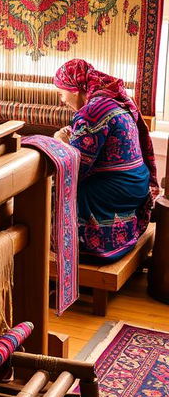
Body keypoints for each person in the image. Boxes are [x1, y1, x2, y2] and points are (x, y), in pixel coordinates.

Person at [53, 59, 158, 261]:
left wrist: (60, 141)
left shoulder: (91, 112)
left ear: (74, 89)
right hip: (137, 187)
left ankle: (79, 247)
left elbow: (76, 168)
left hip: (116, 192)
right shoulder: (111, 100)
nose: (61, 100)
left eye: (61, 93)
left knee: (58, 191)